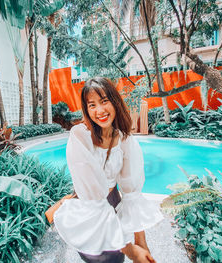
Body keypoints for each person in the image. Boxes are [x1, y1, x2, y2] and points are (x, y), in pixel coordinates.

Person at [54, 77, 163, 263]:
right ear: (86, 109)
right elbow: (93, 199)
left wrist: (141, 241)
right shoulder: (80, 135)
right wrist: (131, 250)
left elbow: (132, 193)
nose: (100, 111)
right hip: (88, 208)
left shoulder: (124, 139)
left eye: (104, 101)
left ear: (115, 102)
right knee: (97, 257)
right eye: (92, 105)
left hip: (113, 204)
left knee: (115, 259)